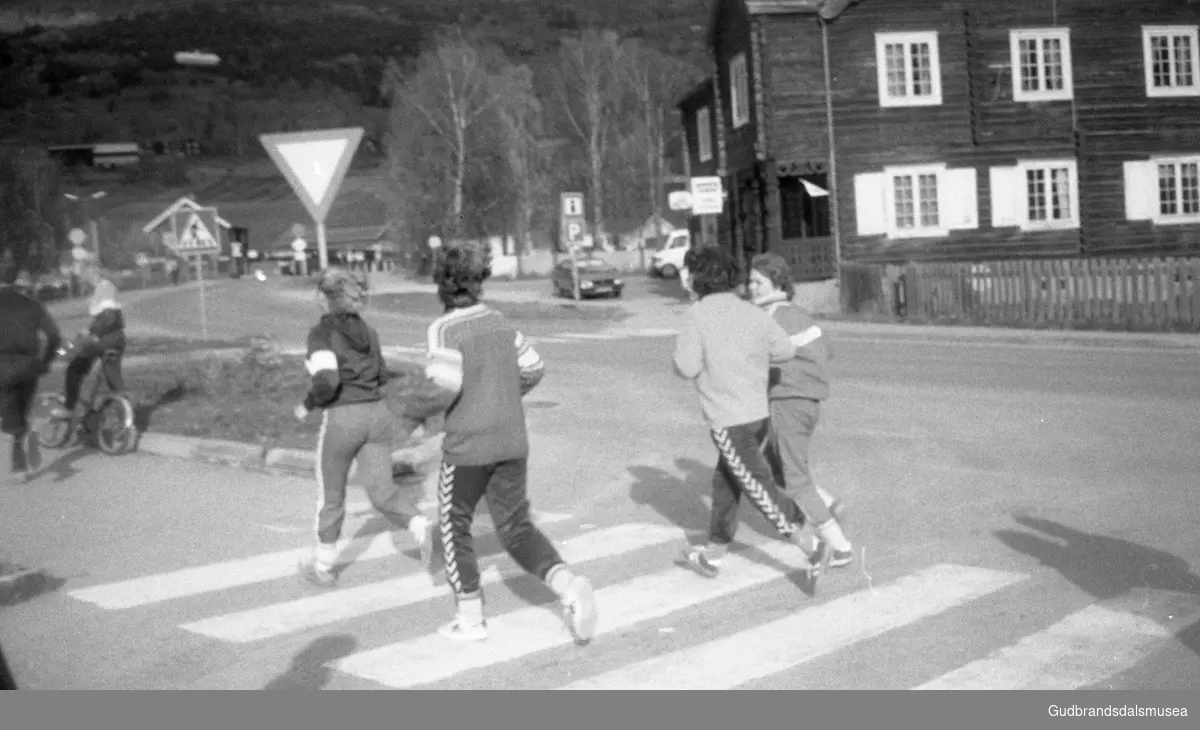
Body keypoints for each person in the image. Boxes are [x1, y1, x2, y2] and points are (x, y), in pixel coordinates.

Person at [396, 239, 598, 644]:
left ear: (441, 283)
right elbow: (534, 368)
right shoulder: (501, 322)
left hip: (469, 447)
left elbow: (444, 388)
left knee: (454, 526)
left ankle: (470, 617)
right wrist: (502, 394)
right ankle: (568, 585)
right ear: (479, 281)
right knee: (516, 526)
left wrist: (410, 412)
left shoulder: (445, 328)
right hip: (511, 442)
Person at [672, 246, 826, 588]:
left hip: (730, 421)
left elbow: (686, 367)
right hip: (757, 417)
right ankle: (713, 554)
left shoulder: (697, 315)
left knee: (759, 488)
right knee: (726, 484)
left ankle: (811, 545)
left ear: (698, 278)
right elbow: (784, 350)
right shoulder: (750, 311)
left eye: (687, 271)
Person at [294, 268, 435, 589]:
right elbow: (383, 376)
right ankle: (420, 525)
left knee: (331, 496)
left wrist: (308, 404)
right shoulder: (368, 331)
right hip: (378, 415)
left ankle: (323, 566)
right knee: (382, 491)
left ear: (323, 298)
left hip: (344, 419)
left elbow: (327, 380)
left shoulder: (321, 334)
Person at [749, 253, 854, 569]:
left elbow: (756, 361)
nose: (750, 286)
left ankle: (839, 547)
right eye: (750, 280)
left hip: (787, 403)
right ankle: (827, 505)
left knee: (794, 480)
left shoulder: (769, 318)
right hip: (808, 404)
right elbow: (827, 350)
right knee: (773, 463)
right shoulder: (797, 313)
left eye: (758, 281)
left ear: (777, 282)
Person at [0, 258, 62, 482]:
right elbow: (54, 337)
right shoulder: (33, 305)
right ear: (17, 279)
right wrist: (45, 362)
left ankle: (19, 462)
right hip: (29, 366)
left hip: (2, 366)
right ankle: (21, 460)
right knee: (21, 412)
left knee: (10, 414)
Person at [51, 267, 125, 422]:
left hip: (104, 340)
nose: (84, 281)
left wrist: (93, 332)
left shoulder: (105, 287)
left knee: (74, 369)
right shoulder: (106, 287)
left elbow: (109, 318)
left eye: (85, 277)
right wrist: (89, 329)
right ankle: (124, 418)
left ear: (94, 274)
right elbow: (105, 317)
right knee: (114, 381)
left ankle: (69, 408)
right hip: (117, 340)